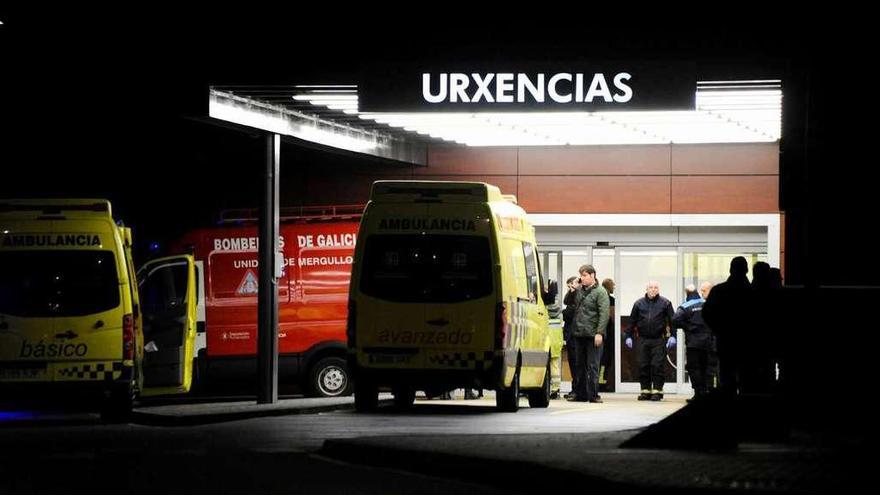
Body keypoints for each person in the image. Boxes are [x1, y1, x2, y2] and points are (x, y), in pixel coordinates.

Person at [702, 256, 752, 400]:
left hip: (725, 340)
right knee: (747, 378)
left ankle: (727, 410)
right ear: (747, 270)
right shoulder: (752, 292)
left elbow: (707, 314)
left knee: (726, 376)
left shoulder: (719, 290)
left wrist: (719, 330)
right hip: (748, 342)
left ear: (730, 269)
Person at [568, 265, 610, 403]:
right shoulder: (579, 290)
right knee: (579, 365)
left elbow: (604, 314)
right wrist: (572, 290)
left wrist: (599, 333)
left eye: (585, 275)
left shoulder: (600, 292)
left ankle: (593, 394)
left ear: (592, 275)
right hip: (579, 334)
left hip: (593, 335)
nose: (582, 278)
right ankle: (581, 394)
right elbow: (567, 302)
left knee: (593, 366)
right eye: (581, 275)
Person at [626, 281, 674, 401]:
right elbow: (632, 321)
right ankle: (645, 391)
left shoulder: (665, 303)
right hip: (642, 339)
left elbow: (672, 321)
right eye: (651, 287)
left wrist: (673, 336)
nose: (653, 290)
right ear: (646, 289)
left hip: (658, 339)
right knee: (643, 365)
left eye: (655, 287)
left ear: (658, 290)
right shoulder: (638, 304)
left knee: (657, 365)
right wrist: (628, 336)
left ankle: (657, 391)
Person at [673, 281, 713, 402]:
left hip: (693, 343)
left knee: (694, 368)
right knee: (706, 368)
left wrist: (687, 326)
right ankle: (707, 392)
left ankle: (698, 393)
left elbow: (675, 320)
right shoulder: (707, 304)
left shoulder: (685, 306)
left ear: (687, 293)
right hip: (708, 343)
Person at [561, 276, 580, 399]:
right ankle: (574, 388)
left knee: (577, 364)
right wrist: (571, 291)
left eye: (572, 285)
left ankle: (577, 389)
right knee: (573, 363)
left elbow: (569, 313)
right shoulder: (571, 297)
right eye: (568, 287)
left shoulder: (580, 296)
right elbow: (566, 301)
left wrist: (575, 290)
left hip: (576, 334)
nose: (570, 288)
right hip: (570, 334)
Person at [599, 278, 616, 393]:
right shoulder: (609, 299)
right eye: (613, 285)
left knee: (603, 358)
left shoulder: (601, 296)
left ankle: (601, 382)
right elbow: (612, 316)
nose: (614, 287)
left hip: (603, 331)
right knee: (605, 358)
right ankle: (602, 383)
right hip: (607, 332)